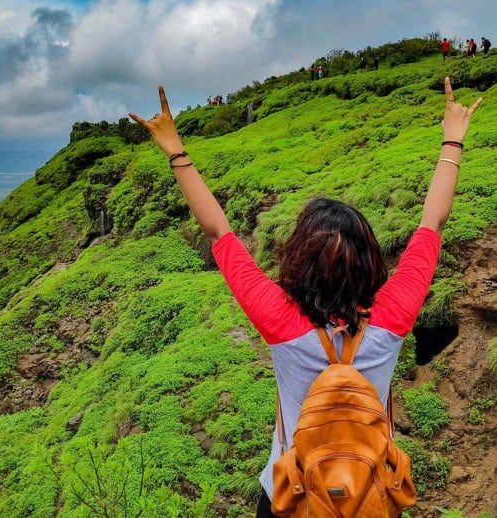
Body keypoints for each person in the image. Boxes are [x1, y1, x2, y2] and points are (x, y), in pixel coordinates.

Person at [129, 77, 482, 517]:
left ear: (297, 258)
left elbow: (218, 231)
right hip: (369, 492)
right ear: (371, 259)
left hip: (290, 495)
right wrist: (453, 139)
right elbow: (433, 223)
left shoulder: (279, 320)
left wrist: (176, 150)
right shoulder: (394, 315)